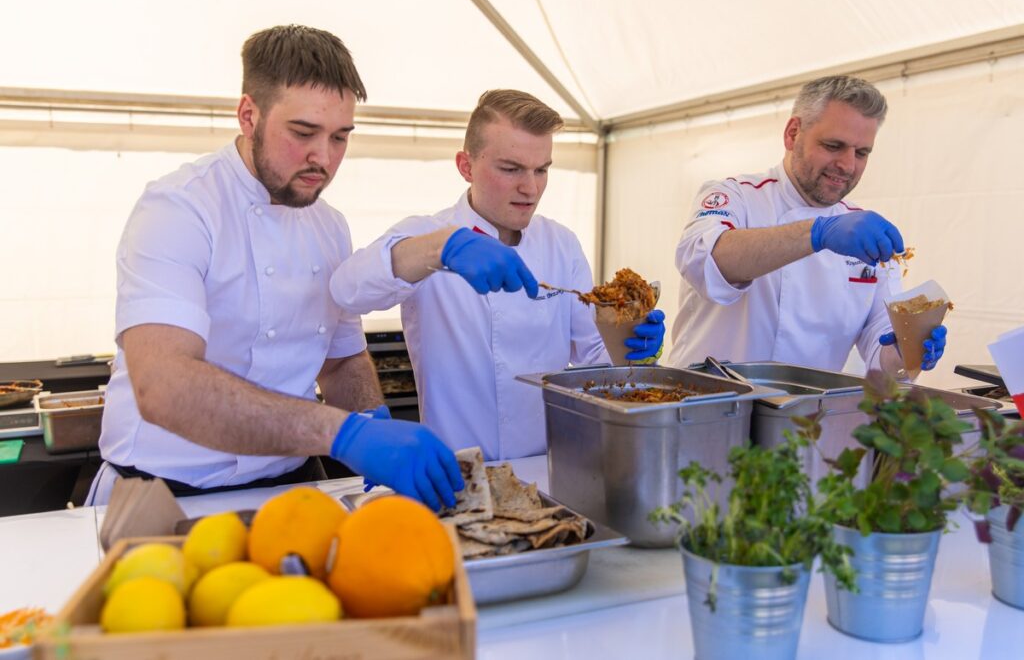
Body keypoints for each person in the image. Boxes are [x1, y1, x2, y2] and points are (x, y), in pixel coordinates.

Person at [87, 25, 462, 510]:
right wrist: (344, 433)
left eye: (340, 137)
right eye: (303, 133)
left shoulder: (330, 227)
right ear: (249, 115)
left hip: (293, 488)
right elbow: (164, 386)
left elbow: (342, 359)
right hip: (164, 496)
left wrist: (373, 421)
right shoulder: (178, 209)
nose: (323, 159)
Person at [331, 90, 665, 461]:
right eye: (511, 169)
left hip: (549, 466)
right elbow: (348, 290)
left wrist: (632, 345)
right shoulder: (428, 234)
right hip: (456, 471)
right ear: (466, 166)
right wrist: (441, 249)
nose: (531, 187)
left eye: (542, 169)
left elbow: (593, 361)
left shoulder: (561, 244)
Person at [667, 75, 946, 375]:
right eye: (833, 145)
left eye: (862, 152)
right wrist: (817, 233)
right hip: (708, 409)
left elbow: (881, 357)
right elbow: (705, 264)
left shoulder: (864, 232)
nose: (848, 165)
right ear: (792, 133)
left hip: (805, 416)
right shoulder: (735, 196)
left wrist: (908, 349)